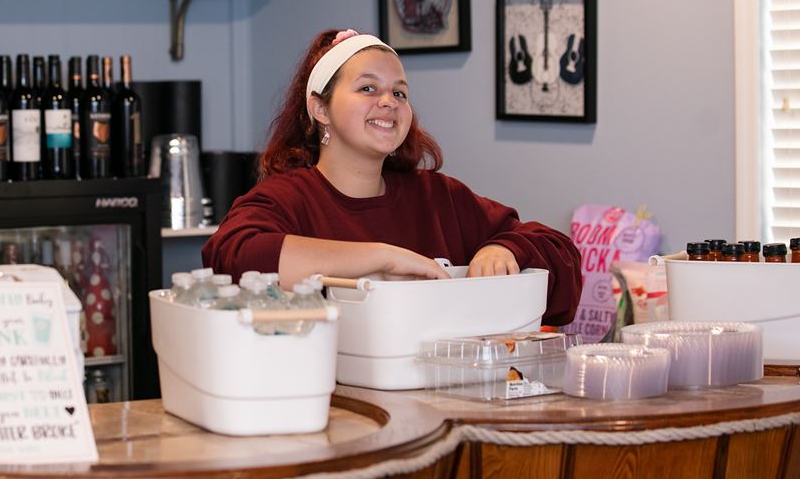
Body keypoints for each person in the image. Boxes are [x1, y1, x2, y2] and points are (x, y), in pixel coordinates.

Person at [202, 28, 582, 325]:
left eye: (399, 93)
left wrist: (504, 250)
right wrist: (383, 259)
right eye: (368, 88)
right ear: (320, 108)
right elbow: (233, 259)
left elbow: (560, 256)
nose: (388, 102)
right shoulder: (286, 199)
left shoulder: (438, 197)